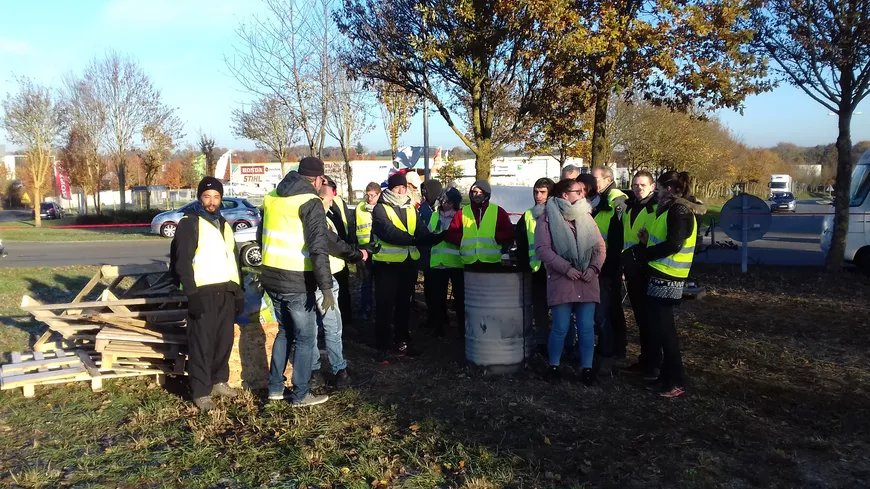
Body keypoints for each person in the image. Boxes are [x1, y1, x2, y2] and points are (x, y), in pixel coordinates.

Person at [259, 156, 334, 407]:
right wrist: (326, 287)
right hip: (297, 282)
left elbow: (262, 237)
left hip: (271, 278)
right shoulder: (310, 202)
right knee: (305, 338)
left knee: (284, 332)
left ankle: (275, 388)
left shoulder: (272, 197)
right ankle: (301, 393)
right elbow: (318, 249)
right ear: (318, 179)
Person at [626, 170, 705, 398]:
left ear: (669, 190)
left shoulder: (680, 211)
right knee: (659, 330)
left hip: (669, 276)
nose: (657, 193)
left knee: (666, 332)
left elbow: (673, 244)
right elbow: (663, 239)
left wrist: (645, 254)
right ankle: (665, 378)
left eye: (659, 188)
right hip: (660, 273)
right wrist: (645, 242)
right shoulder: (670, 210)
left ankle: (676, 381)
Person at [170, 176, 244, 412]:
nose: (211, 201)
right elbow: (181, 263)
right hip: (203, 293)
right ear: (199, 198)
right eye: (207, 196)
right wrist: (191, 295)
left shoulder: (224, 224)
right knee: (202, 343)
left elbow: (233, 260)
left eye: (216, 197)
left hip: (227, 291)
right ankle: (201, 390)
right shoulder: (190, 223)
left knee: (223, 340)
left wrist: (238, 291)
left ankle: (218, 380)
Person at [534, 179, 605, 386]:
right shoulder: (547, 219)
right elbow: (543, 249)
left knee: (586, 328)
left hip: (587, 279)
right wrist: (566, 268)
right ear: (565, 195)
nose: (583, 194)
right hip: (562, 279)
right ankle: (554, 366)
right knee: (560, 327)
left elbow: (600, 247)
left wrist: (593, 268)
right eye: (578, 191)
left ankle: (587, 368)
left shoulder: (586, 217)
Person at [372, 172, 443, 361]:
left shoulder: (411, 207)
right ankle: (383, 346)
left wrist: (434, 237)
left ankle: (402, 341)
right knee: (385, 307)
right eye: (398, 187)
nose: (402, 190)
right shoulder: (380, 208)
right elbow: (388, 231)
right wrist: (413, 240)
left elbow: (420, 228)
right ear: (390, 188)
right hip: (387, 266)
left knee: (404, 305)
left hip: (408, 263)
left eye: (404, 187)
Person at [314, 177, 369, 388]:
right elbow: (332, 244)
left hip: (329, 274)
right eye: (328, 200)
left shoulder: (325, 213)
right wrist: (357, 254)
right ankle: (339, 370)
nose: (331, 203)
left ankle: (317, 370)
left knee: (318, 327)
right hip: (325, 278)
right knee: (332, 325)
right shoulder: (319, 218)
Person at [590, 166, 629, 373]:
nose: (593, 182)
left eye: (596, 179)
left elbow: (616, 236)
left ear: (608, 179)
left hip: (608, 263)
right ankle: (614, 348)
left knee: (608, 309)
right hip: (601, 262)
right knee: (611, 307)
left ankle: (613, 351)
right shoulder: (600, 198)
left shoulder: (615, 200)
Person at [620, 170, 659, 379]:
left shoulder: (655, 209)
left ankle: (653, 364)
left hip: (648, 269)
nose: (638, 188)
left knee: (650, 320)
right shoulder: (630, 208)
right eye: (635, 184)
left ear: (652, 187)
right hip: (632, 268)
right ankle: (645, 360)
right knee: (641, 318)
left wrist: (646, 243)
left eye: (643, 185)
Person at [515, 177, 554, 343]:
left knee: (563, 312)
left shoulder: (559, 214)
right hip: (536, 270)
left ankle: (565, 347)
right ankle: (542, 343)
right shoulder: (528, 216)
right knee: (540, 311)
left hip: (556, 270)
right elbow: (522, 244)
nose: (538, 196)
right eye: (536, 192)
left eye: (543, 192)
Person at [445, 180, 515, 269]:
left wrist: (496, 238)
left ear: (486, 194)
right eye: (475, 192)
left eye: (481, 192)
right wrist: (462, 240)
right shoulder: (462, 212)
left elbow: (509, 233)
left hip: (492, 262)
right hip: (469, 262)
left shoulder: (498, 211)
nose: (477, 195)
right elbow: (451, 233)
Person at [425, 187, 464, 337]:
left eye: (448, 201)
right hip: (437, 263)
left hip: (456, 263)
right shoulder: (435, 216)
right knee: (437, 298)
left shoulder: (460, 216)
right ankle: (439, 327)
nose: (445, 204)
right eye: (443, 200)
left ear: (455, 203)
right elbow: (429, 233)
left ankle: (462, 328)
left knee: (460, 298)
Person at [322, 176, 355, 328]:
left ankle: (347, 319)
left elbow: (348, 221)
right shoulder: (317, 207)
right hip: (329, 257)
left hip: (343, 253)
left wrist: (350, 245)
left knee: (344, 289)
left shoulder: (339, 202)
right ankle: (333, 324)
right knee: (329, 295)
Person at [355, 182, 381, 321]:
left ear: (379, 194)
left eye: (373, 195)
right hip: (364, 249)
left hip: (379, 250)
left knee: (380, 283)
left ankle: (380, 309)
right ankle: (365, 308)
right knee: (366, 282)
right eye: (368, 195)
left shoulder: (383, 207)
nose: (370, 198)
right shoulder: (360, 207)